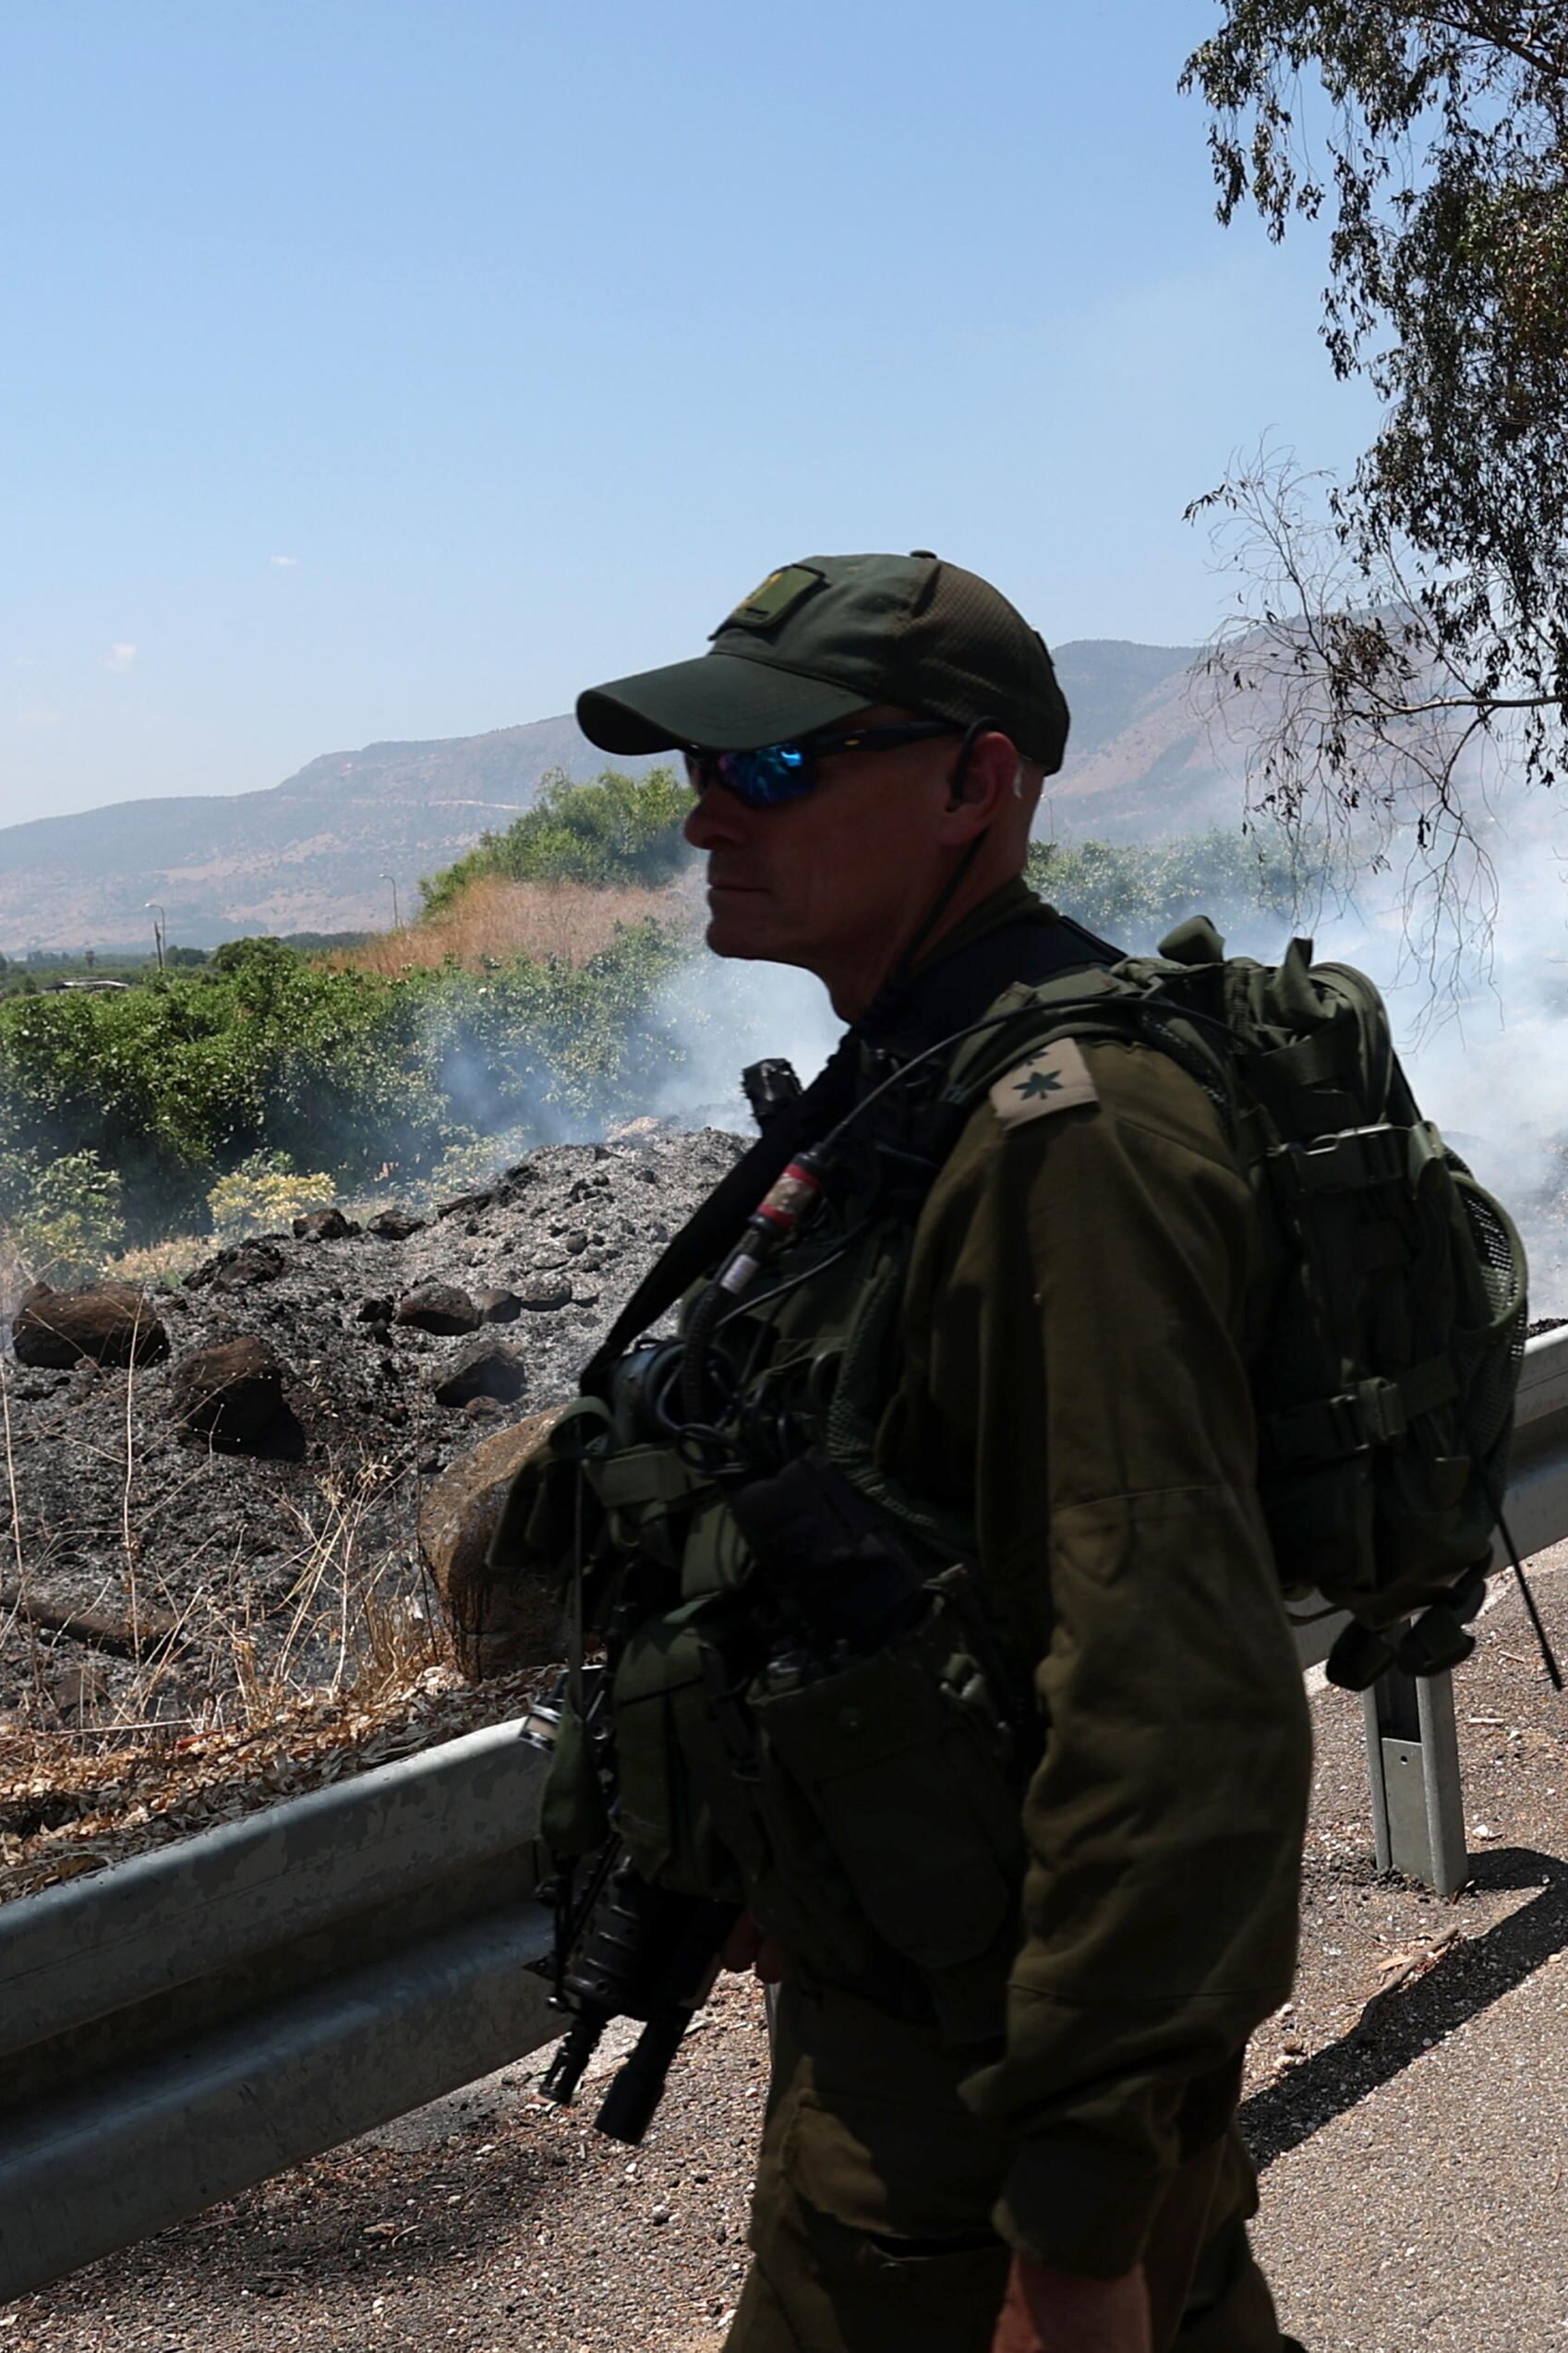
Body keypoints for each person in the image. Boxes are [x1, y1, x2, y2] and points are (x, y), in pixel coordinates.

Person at [477, 551, 1308, 2353]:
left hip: (986, 2126)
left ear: (970, 783)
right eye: (703, 770)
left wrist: (1077, 2239)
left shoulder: (1062, 1136)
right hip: (921, 2030)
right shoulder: (910, 1082)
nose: (707, 814)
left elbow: (1181, 1699)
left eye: (773, 767)